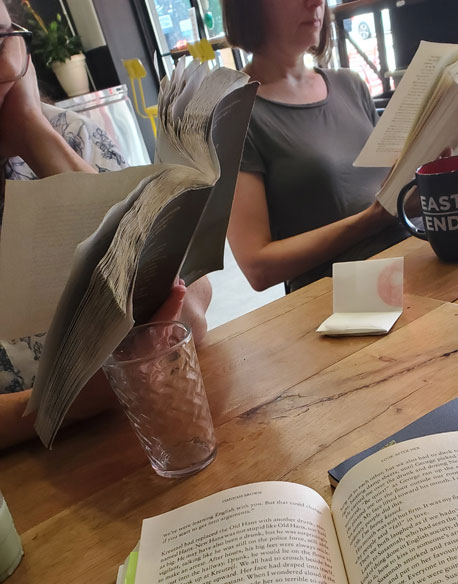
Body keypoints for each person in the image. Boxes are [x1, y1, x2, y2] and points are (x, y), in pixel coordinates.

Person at [0, 0, 210, 448]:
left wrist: (36, 136)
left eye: (1, 37)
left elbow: (189, 308)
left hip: (146, 432)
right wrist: (70, 399)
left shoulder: (72, 137)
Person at [222, 0, 406, 293]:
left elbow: (390, 195)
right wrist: (370, 221)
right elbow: (257, 266)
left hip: (410, 268)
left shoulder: (351, 84)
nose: (317, 2)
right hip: (339, 305)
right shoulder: (235, 115)